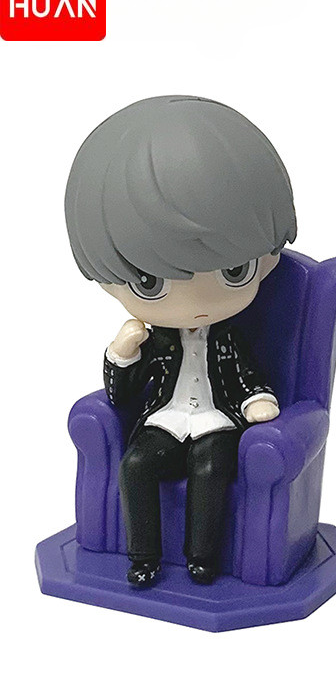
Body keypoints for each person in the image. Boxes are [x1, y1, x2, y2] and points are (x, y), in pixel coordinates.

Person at [64, 96, 297, 587]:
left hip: (216, 421)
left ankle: (202, 558)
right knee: (136, 466)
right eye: (149, 282)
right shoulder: (155, 340)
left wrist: (257, 400)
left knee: (210, 469)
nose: (196, 302)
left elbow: (243, 375)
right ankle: (143, 557)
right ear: (107, 280)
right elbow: (123, 396)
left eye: (235, 270)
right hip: (165, 421)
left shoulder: (229, 336)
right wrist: (122, 355)